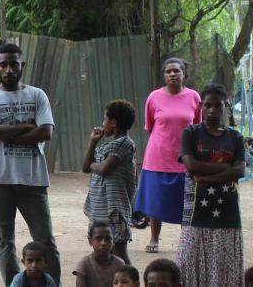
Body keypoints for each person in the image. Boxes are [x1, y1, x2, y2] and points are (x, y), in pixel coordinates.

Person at [0, 43, 59, 284]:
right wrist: (26, 126)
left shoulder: (37, 95)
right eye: (3, 64)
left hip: (32, 178)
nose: (9, 69)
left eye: (14, 63)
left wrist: (3, 131)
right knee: (4, 241)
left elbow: (45, 132)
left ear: (22, 65)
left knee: (45, 240)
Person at [176, 83, 245, 286]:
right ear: (201, 107)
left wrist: (204, 178)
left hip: (227, 212)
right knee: (188, 260)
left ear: (226, 107)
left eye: (218, 105)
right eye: (208, 106)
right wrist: (225, 168)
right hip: (196, 210)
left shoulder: (235, 137)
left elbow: (240, 171)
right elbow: (191, 165)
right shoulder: (191, 133)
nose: (213, 110)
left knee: (225, 266)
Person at [137, 57, 202, 253]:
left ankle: (186, 241)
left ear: (184, 74)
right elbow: (151, 127)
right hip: (158, 157)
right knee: (157, 200)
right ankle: (154, 238)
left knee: (187, 201)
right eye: (168, 71)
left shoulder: (194, 97)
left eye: (177, 71)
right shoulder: (153, 97)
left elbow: (197, 127)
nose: (173, 74)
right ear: (164, 75)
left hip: (186, 158)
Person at [81, 99, 137, 263]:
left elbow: (104, 169)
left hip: (116, 211)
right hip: (99, 208)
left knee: (119, 250)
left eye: (105, 119)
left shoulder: (125, 143)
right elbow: (85, 168)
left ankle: (130, 281)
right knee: (103, 253)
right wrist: (93, 140)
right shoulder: (103, 146)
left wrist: (92, 164)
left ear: (113, 122)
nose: (102, 123)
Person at [74, 222, 127, 287]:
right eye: (98, 238)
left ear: (113, 241)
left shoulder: (119, 264)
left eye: (108, 239)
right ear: (90, 241)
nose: (103, 243)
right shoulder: (84, 264)